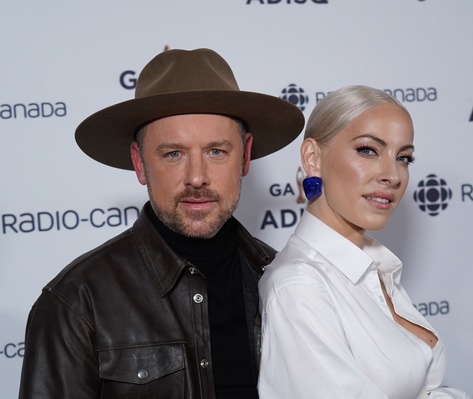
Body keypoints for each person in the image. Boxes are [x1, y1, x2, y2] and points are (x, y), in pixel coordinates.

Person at [18, 48, 304, 399]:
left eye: (216, 151)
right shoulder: (77, 303)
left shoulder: (287, 281)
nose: (197, 177)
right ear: (139, 164)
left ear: (244, 156)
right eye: (173, 154)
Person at [258, 85, 468, 398]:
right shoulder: (299, 287)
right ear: (313, 158)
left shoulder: (376, 268)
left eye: (404, 157)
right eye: (368, 150)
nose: (393, 175)